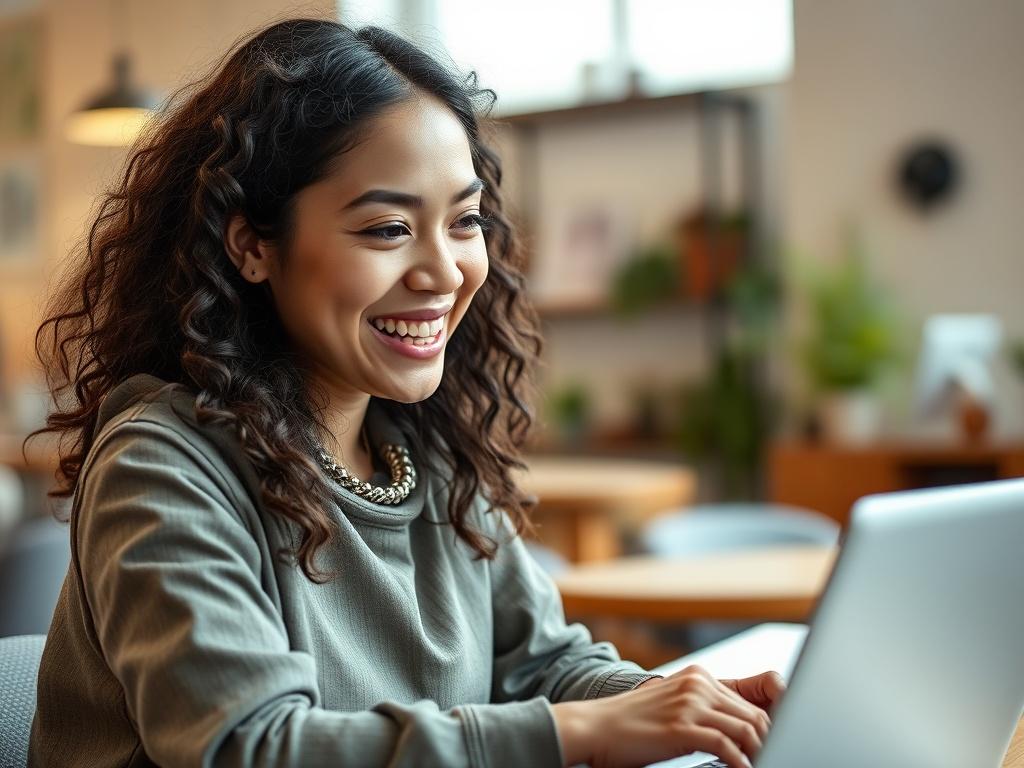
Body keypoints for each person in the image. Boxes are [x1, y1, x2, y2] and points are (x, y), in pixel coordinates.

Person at [25, 17, 784, 768]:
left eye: (464, 222)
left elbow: (542, 667)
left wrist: (684, 707)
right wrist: (576, 734)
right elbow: (246, 746)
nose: (446, 272)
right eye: (388, 229)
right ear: (253, 244)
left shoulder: (428, 450)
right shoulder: (162, 466)